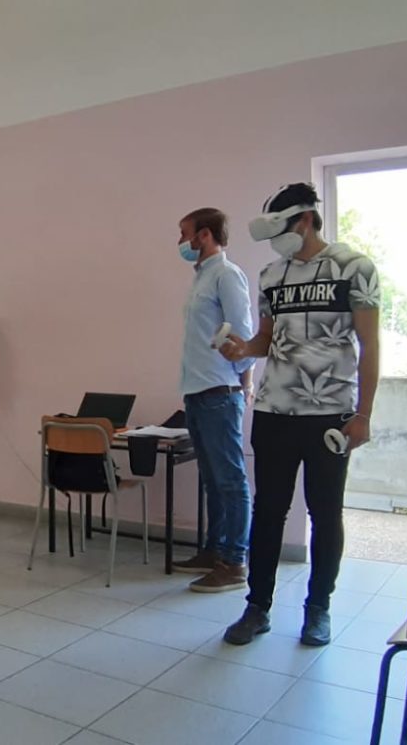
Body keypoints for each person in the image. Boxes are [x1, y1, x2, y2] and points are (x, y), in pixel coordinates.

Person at [218, 183, 381, 646]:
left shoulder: (354, 267)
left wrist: (363, 415)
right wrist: (242, 349)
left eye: (281, 230)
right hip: (274, 411)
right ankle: (257, 607)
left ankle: (318, 608)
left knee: (325, 513)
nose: (275, 242)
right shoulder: (271, 275)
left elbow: (370, 344)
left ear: (306, 220)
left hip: (331, 414)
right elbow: (265, 340)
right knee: (268, 511)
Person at [169, 208, 256, 593]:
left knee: (231, 482)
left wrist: (241, 378)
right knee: (213, 481)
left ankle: (234, 563)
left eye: (183, 233)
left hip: (220, 393)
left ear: (204, 235)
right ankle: (213, 551)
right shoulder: (201, 277)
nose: (180, 241)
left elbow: (243, 336)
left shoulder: (226, 274)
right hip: (197, 392)